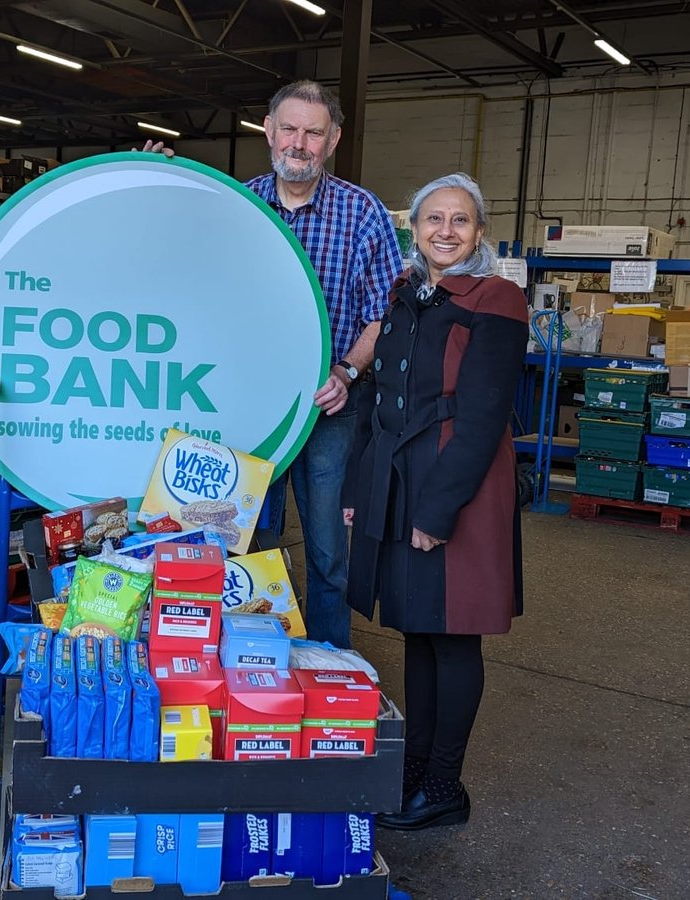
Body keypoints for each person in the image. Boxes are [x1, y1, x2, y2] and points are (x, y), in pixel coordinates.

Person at [144, 80, 403, 649]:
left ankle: (328, 664)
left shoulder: (364, 215)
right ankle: (249, 667)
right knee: (241, 541)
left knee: (328, 553)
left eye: (314, 132)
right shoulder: (237, 205)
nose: (300, 143)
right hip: (245, 410)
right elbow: (179, 269)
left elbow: (382, 316)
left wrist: (348, 372)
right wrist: (154, 187)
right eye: (290, 128)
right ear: (268, 130)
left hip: (327, 409)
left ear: (333, 140)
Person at [342, 173, 527, 831]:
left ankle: (444, 786)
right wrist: (361, 490)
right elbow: (375, 397)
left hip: (457, 484)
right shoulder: (406, 294)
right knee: (418, 632)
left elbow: (482, 417)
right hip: (400, 474)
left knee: (452, 640)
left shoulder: (497, 299)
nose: (445, 231)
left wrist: (437, 511)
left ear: (479, 233)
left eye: (461, 221)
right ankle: (414, 771)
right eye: (433, 219)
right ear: (415, 228)